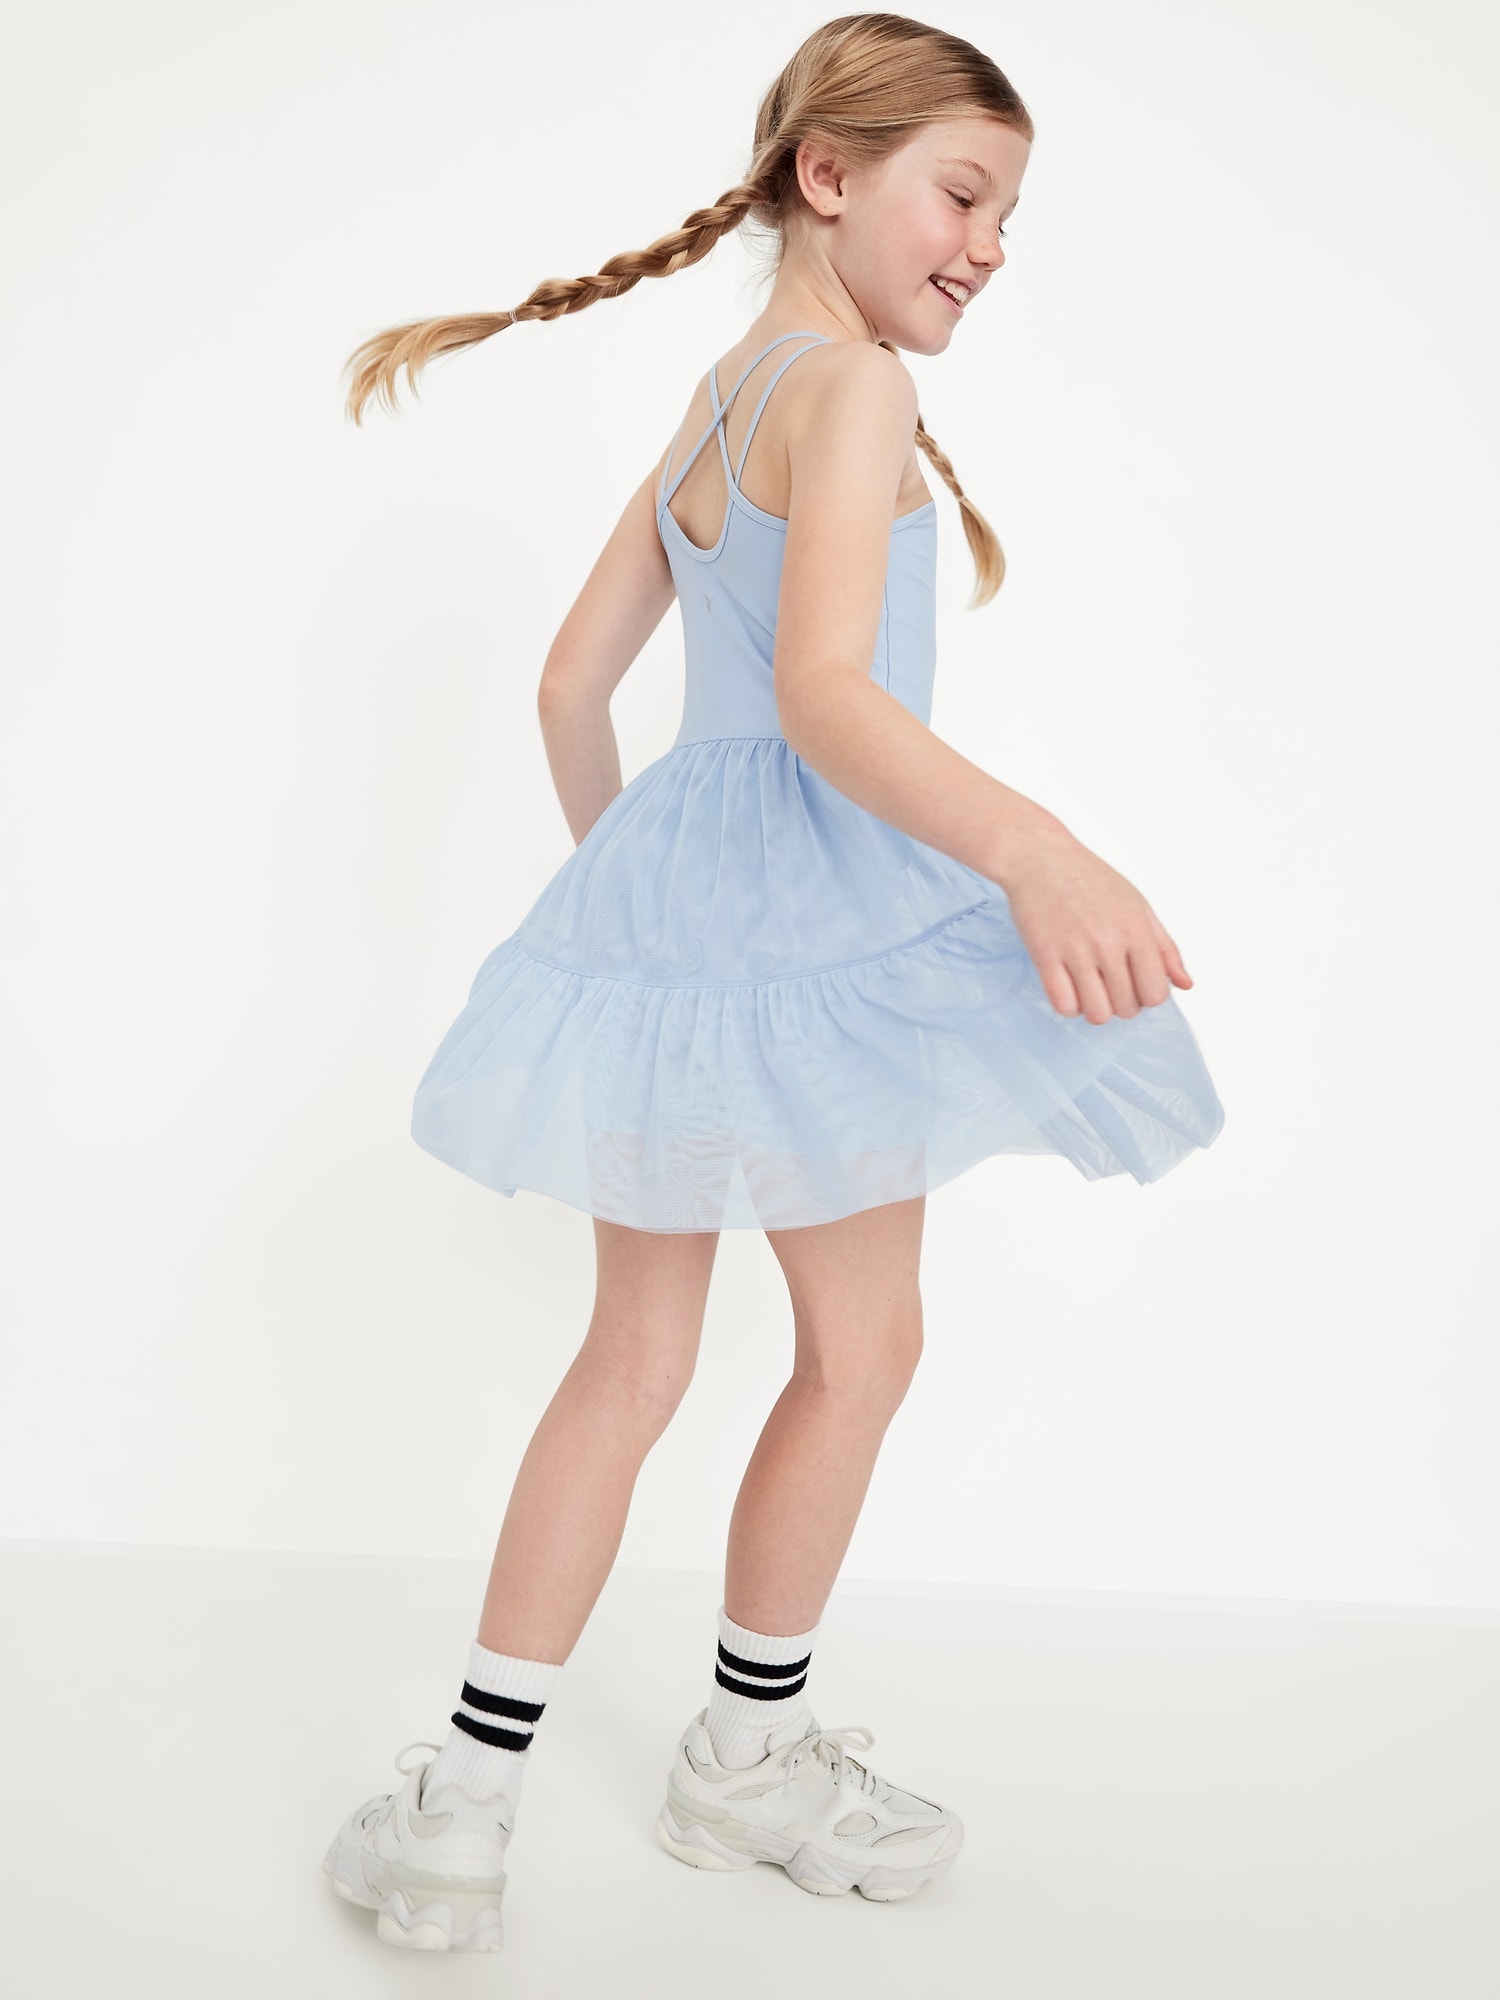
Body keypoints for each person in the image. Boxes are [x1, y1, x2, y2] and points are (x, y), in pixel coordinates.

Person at [322, 11, 1224, 1954]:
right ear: (831, 175)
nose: (989, 246)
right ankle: (746, 1756)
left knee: (628, 1363)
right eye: (964, 196)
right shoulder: (857, 390)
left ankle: (460, 1810)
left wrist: (644, 919)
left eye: (1008, 216)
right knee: (862, 1351)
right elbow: (822, 697)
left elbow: (570, 687)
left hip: (690, 918)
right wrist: (1035, 849)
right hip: (833, 923)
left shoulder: (726, 390)